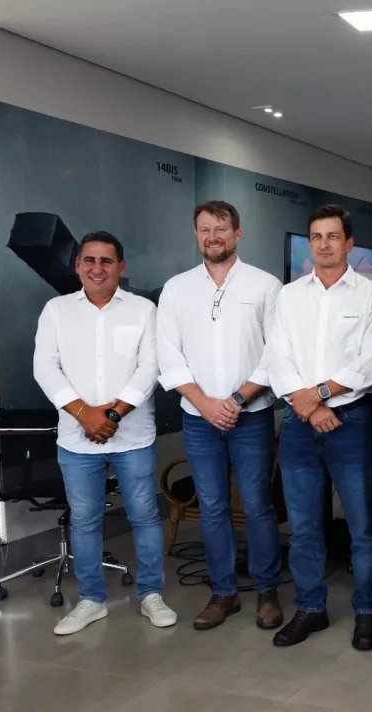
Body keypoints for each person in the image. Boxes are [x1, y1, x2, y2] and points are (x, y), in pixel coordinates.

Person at [33, 231, 177, 635]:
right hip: (76, 438)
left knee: (144, 517)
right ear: (78, 265)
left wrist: (110, 415)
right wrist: (84, 414)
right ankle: (91, 600)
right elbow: (44, 367)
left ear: (121, 267)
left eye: (107, 261)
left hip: (133, 436)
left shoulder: (144, 310)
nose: (97, 268)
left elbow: (150, 367)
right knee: (84, 521)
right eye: (90, 260)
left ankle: (151, 595)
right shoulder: (56, 310)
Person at [157, 200, 284, 631]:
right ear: (197, 235)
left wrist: (237, 400)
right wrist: (206, 404)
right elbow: (168, 355)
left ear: (237, 234)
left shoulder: (265, 285)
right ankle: (223, 593)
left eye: (221, 229)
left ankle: (267, 591)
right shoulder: (176, 288)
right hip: (199, 419)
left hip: (252, 416)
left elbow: (276, 352)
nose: (213, 236)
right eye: (205, 229)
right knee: (211, 508)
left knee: (258, 506)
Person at [268, 204, 372, 648]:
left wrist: (317, 395)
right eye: (316, 237)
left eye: (332, 236)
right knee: (303, 527)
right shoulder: (289, 295)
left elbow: (370, 361)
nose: (323, 244)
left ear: (349, 243)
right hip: (300, 424)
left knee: (363, 527)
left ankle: (367, 612)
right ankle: (311, 609)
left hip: (351, 422)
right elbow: (278, 357)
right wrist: (309, 408)